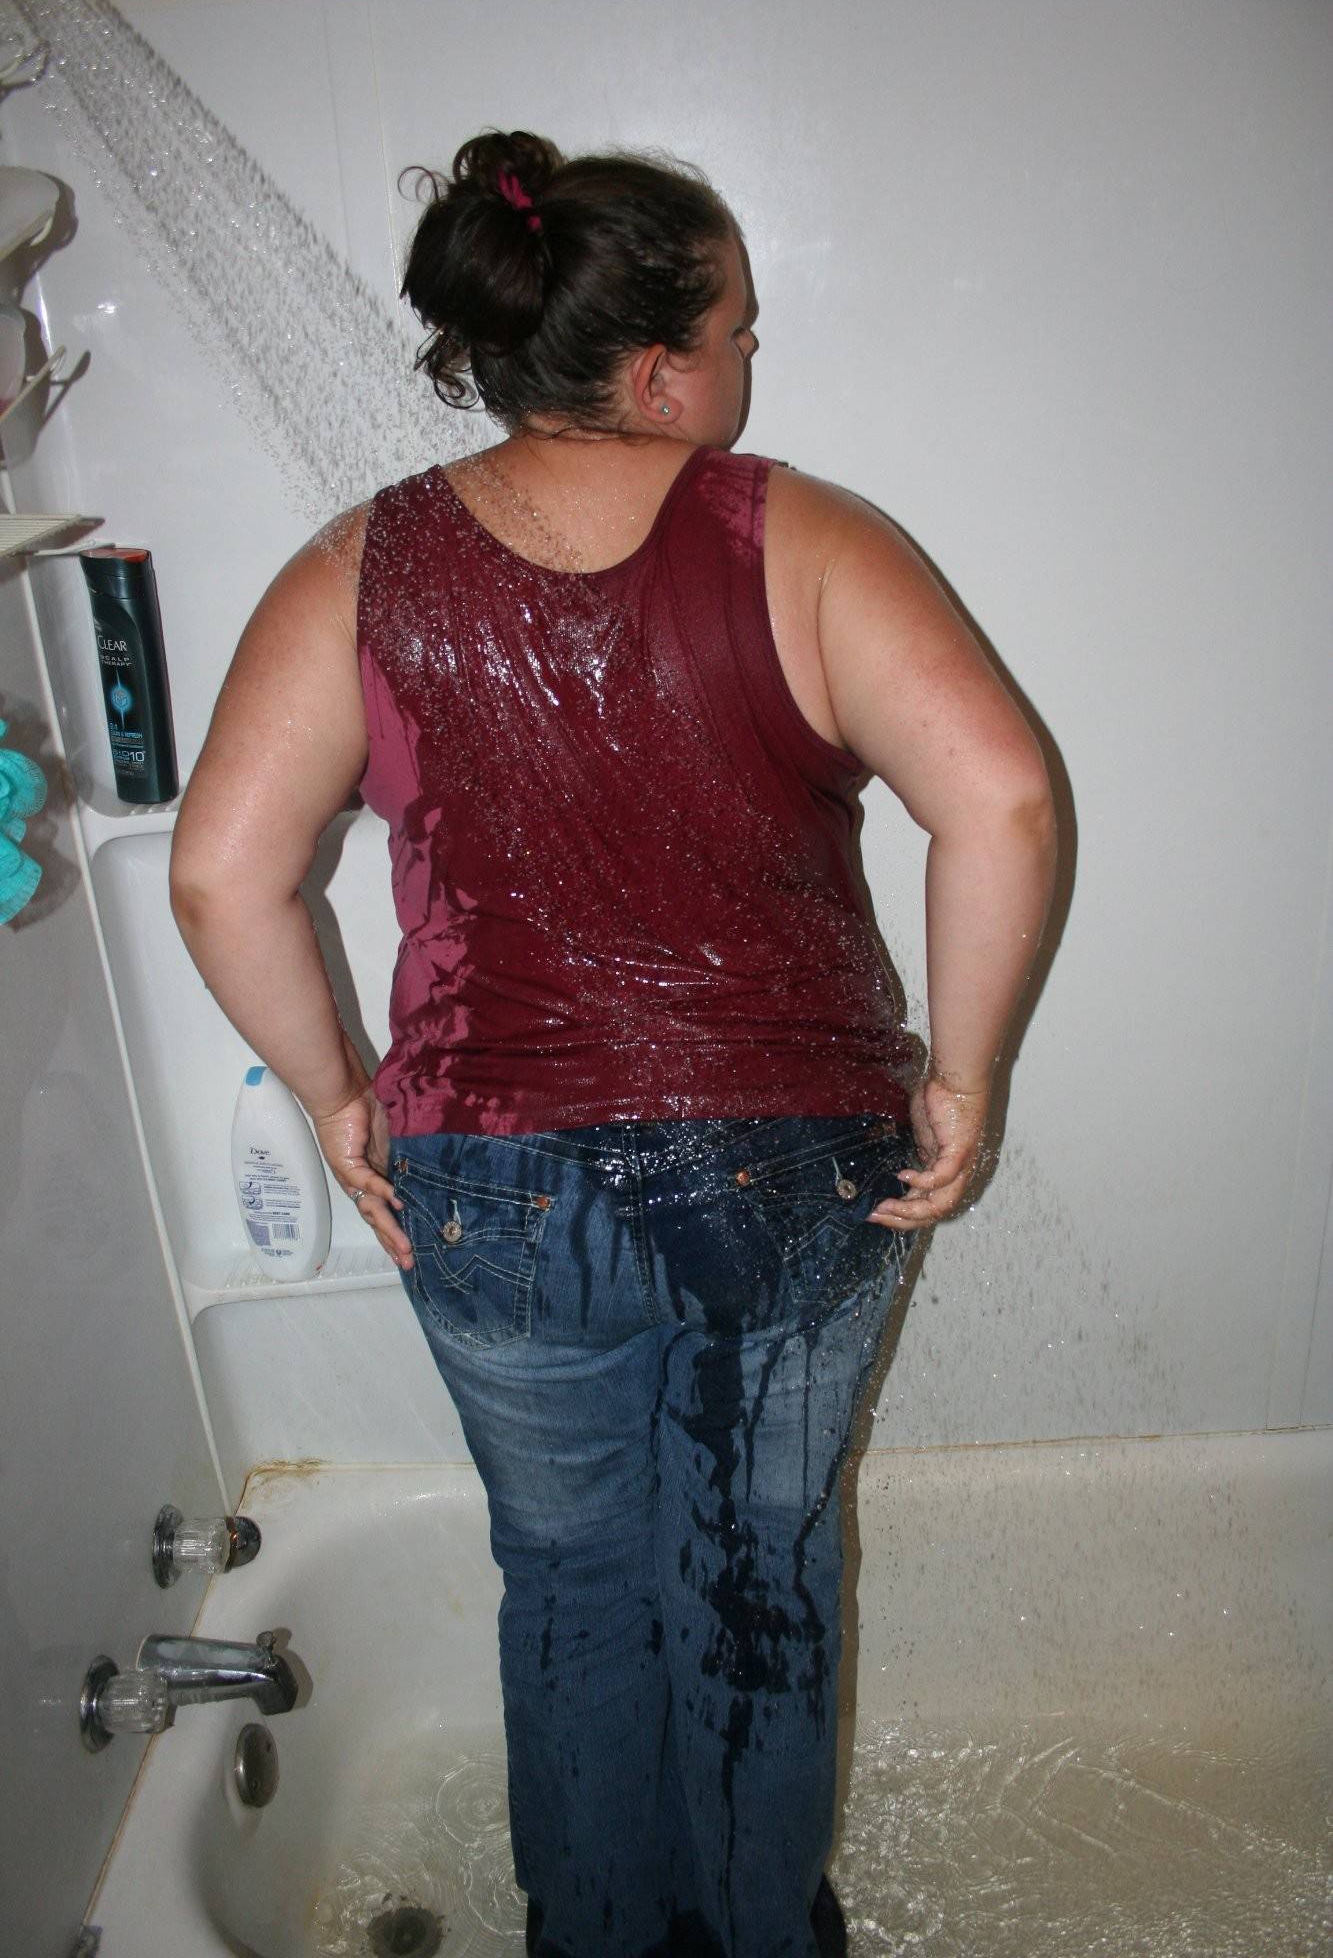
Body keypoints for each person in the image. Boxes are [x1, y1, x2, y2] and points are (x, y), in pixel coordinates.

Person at [170, 127, 1057, 1958]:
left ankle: (590, 1939)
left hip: (487, 1177)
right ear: (655, 372)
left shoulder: (359, 565)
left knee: (570, 1582)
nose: (749, 361)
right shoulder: (804, 537)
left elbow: (215, 877)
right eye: (736, 332)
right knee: (756, 1581)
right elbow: (1006, 803)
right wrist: (960, 1078)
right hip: (788, 1167)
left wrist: (341, 1096)